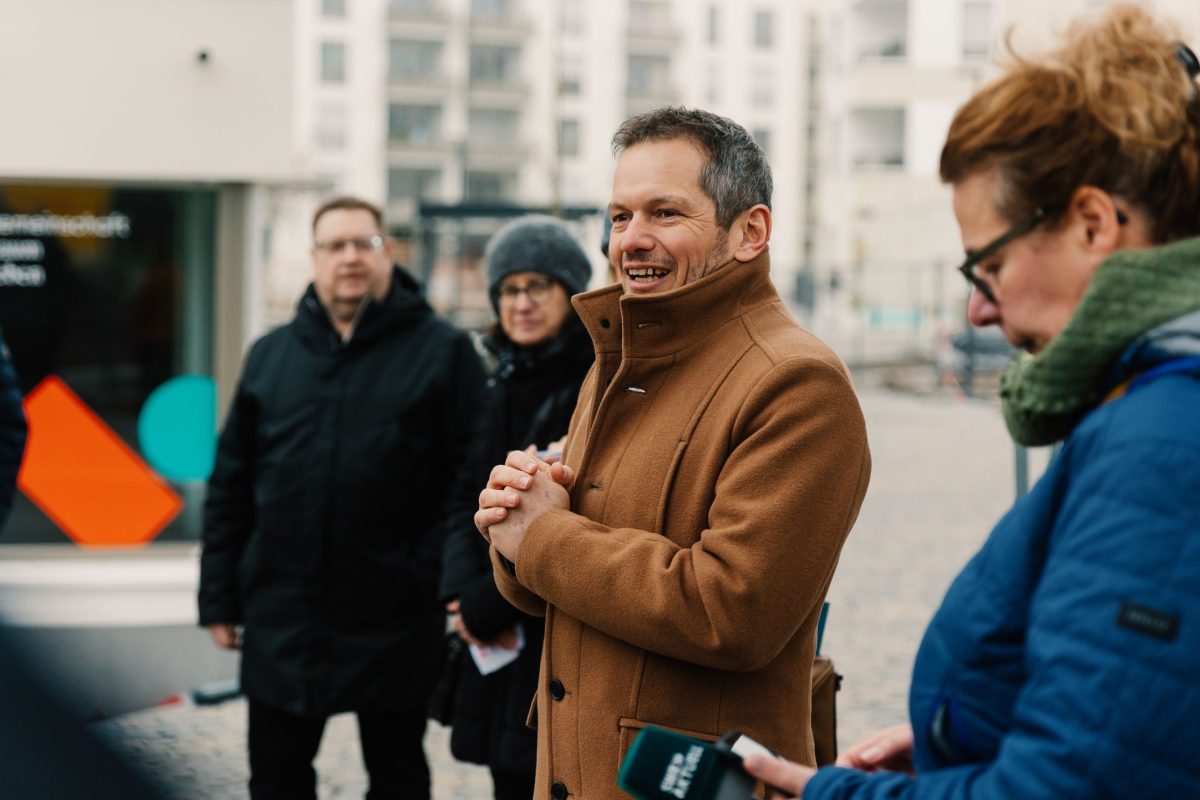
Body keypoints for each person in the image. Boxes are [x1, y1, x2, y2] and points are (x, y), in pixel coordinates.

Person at [741, 6, 1200, 798]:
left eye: (985, 266)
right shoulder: (1151, 401)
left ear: (1092, 223)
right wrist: (976, 730)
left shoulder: (1158, 440)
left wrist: (832, 794)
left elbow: (1067, 787)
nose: (979, 312)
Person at [475, 108, 872, 798]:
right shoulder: (617, 359)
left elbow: (732, 613)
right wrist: (512, 530)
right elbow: (565, 577)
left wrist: (541, 535)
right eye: (619, 216)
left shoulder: (795, 382)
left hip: (685, 782)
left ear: (750, 231)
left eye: (665, 213)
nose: (632, 240)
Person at [198, 196, 484, 800]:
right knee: (276, 779)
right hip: (283, 612)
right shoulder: (272, 354)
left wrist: (432, 572)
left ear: (387, 254)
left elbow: (470, 478)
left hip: (394, 614)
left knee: (398, 776)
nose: (350, 257)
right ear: (314, 257)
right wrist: (219, 596)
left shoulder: (442, 351)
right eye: (335, 245)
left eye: (364, 243)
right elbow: (231, 484)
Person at [439, 215, 595, 800]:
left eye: (537, 286)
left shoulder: (593, 382)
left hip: (551, 635)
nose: (521, 303)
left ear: (569, 291)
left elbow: (575, 520)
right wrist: (458, 593)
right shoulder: (495, 380)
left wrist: (482, 606)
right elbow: (461, 496)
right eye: (508, 289)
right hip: (494, 643)